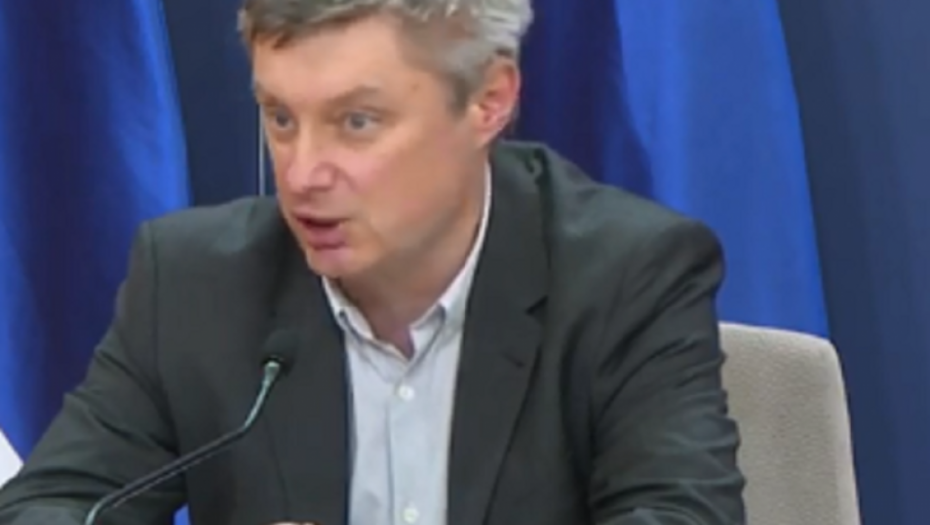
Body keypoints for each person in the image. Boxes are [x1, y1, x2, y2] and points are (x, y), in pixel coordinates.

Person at [0, 0, 746, 523]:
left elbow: (680, 515)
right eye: (280, 118)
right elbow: (51, 506)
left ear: (489, 101)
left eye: (356, 122)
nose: (302, 174)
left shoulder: (626, 275)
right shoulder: (196, 281)